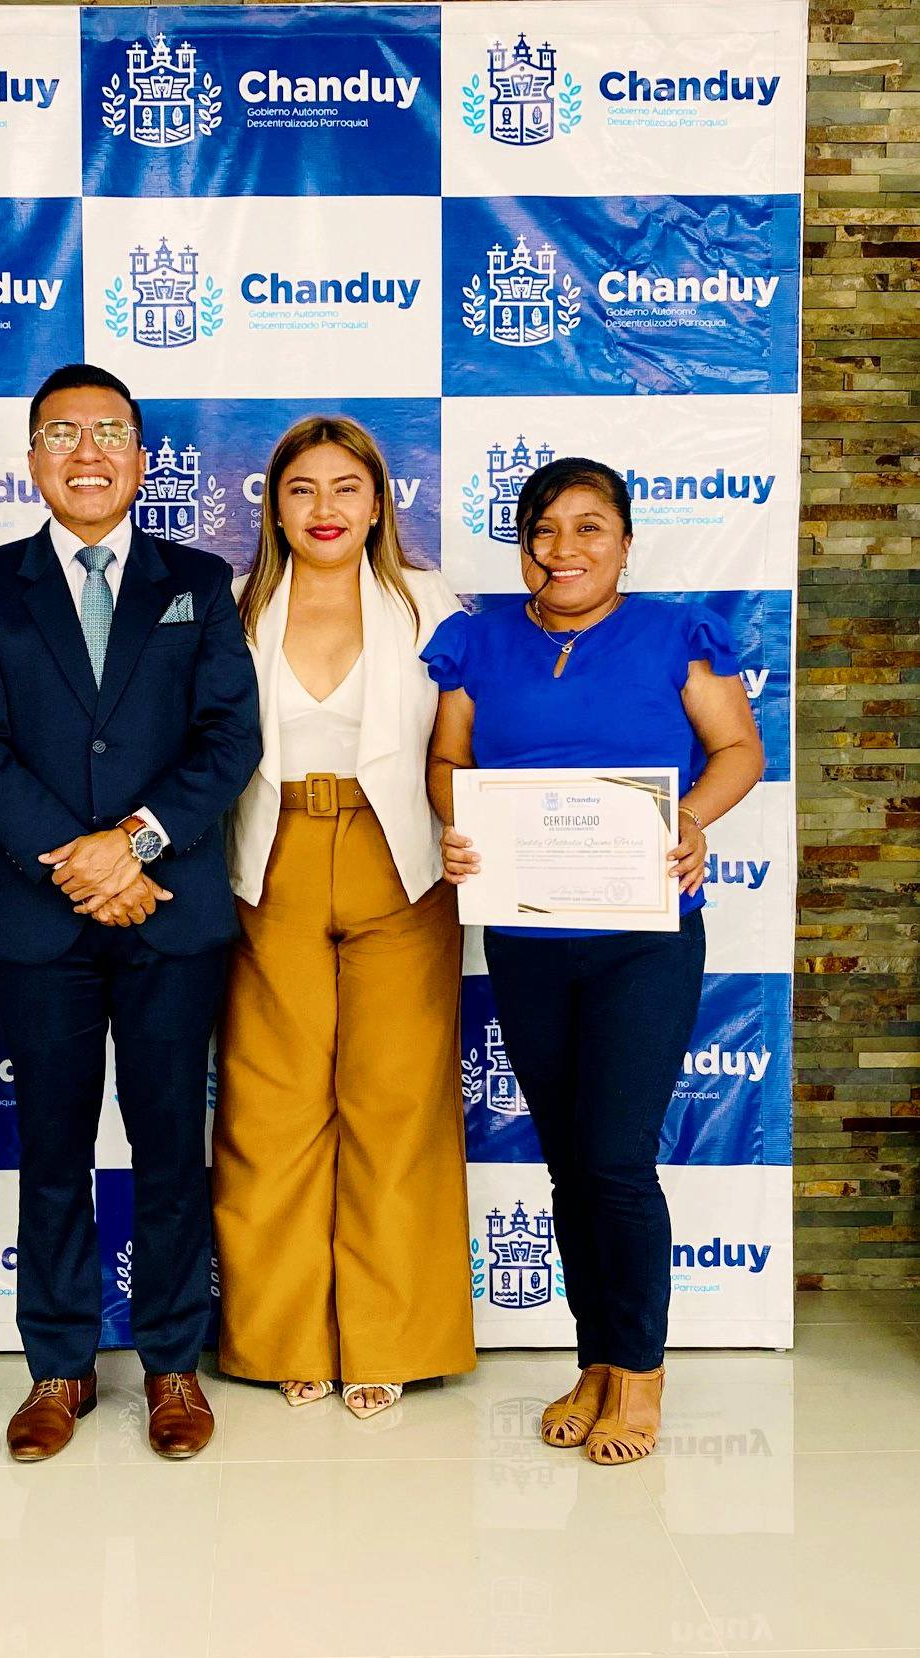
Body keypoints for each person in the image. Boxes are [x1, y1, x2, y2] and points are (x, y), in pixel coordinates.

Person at [0, 363, 261, 1464]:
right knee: (52, 1150)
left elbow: (229, 737)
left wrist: (135, 843)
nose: (87, 452)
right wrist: (77, 861)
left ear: (141, 457)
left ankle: (172, 1361)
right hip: (42, 918)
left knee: (170, 1146)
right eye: (64, 433)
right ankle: (59, 1365)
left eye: (110, 432)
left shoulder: (198, 580)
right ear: (33, 458)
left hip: (169, 910)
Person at [423, 455, 764, 1466]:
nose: (562, 548)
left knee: (615, 1157)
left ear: (623, 542)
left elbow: (739, 750)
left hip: (642, 938)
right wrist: (456, 825)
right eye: (543, 529)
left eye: (588, 528)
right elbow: (448, 761)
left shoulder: (676, 636)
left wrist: (691, 819)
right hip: (527, 937)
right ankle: (595, 1360)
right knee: (570, 1162)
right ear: (522, 543)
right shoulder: (478, 640)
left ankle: (642, 1371)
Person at [216, 415, 476, 1420]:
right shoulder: (237, 605)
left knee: (397, 1102)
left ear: (378, 503)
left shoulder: (428, 602)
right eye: (301, 489)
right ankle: (284, 1336)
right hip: (271, 856)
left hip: (399, 858)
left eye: (345, 488)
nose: (324, 508)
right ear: (274, 507)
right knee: (271, 1107)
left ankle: (389, 1338)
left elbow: (468, 735)